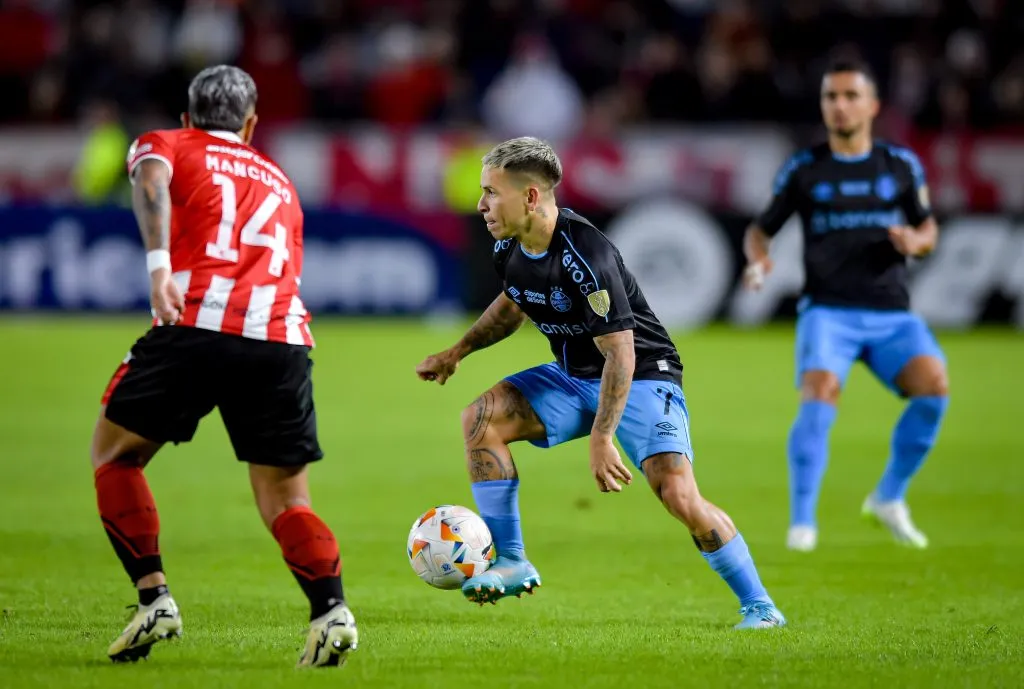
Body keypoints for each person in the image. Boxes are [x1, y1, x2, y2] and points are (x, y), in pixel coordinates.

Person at [416, 136, 786, 629]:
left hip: (643, 377)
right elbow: (513, 303)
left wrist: (601, 436)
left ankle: (760, 606)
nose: (481, 204)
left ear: (530, 196)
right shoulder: (509, 246)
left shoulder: (586, 254)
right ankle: (512, 560)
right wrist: (456, 352)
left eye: (491, 192)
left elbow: (621, 353)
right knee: (481, 419)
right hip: (574, 377)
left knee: (678, 496)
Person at [93, 65, 357, 667]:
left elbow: (151, 180)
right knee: (288, 501)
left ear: (189, 117)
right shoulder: (280, 180)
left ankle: (153, 597)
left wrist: (158, 267)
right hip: (280, 340)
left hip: (195, 323)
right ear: (250, 124)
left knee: (115, 454)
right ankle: (331, 612)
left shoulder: (167, 143)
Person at [742, 59, 949, 552]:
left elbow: (927, 226)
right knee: (820, 390)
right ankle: (802, 525)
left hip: (891, 311)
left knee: (934, 389)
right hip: (828, 310)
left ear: (872, 105)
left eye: (850, 96)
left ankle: (889, 497)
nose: (839, 105)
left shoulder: (899, 165)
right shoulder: (805, 168)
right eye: (830, 97)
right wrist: (758, 260)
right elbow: (759, 230)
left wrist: (916, 242)